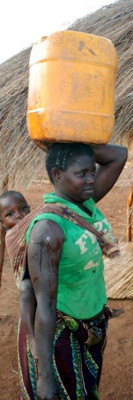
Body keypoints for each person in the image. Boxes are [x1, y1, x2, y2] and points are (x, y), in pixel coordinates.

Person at [16, 141, 126, 400]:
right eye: (81, 173)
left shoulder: (83, 203)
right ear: (57, 175)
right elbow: (44, 303)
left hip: (92, 323)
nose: (90, 179)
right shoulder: (48, 230)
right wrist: (44, 374)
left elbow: (119, 155)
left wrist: (65, 146)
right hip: (60, 335)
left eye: (92, 172)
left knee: (87, 390)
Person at [0, 190, 37, 358]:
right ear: (2, 222)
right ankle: (32, 336)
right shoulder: (12, 235)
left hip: (43, 275)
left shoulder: (35, 225)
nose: (19, 215)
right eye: (10, 214)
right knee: (25, 290)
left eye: (23, 209)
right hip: (27, 276)